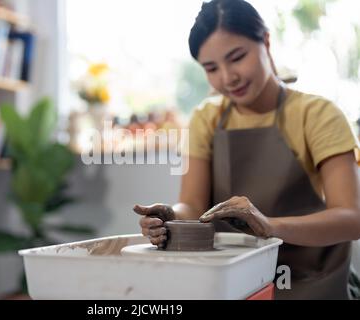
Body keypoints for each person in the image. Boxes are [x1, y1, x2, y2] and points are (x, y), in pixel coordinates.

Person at [133, 0, 360, 299]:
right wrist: (170, 215)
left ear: (265, 41)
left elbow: (352, 218)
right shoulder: (206, 118)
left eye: (237, 57)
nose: (228, 77)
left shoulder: (317, 114)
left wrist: (270, 226)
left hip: (311, 281)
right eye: (211, 68)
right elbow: (192, 205)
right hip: (234, 281)